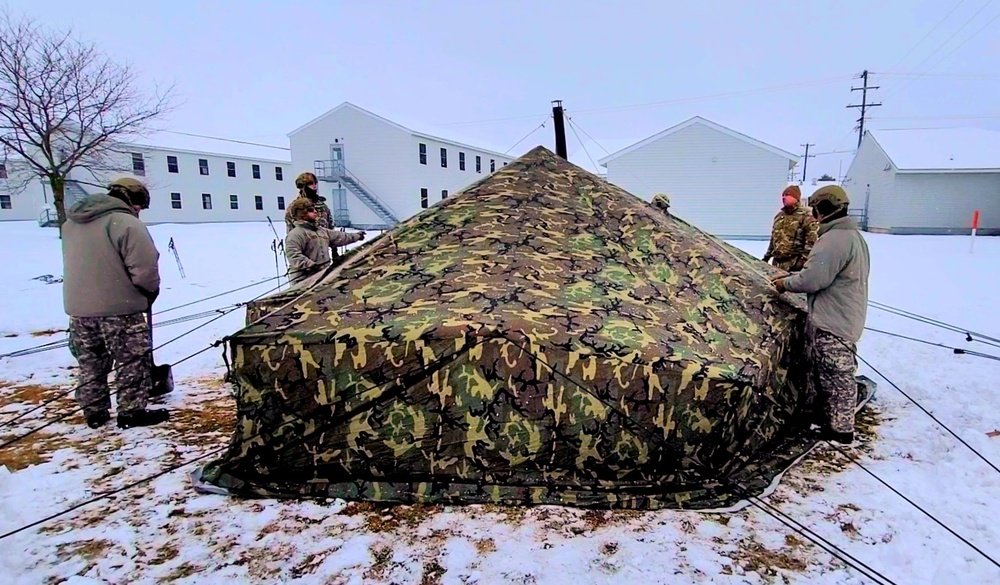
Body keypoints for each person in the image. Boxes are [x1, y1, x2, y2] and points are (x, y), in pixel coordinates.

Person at [62, 177, 170, 430]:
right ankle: (131, 411)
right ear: (132, 199)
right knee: (131, 359)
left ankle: (95, 411)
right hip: (119, 308)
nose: (139, 211)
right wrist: (148, 293)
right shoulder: (125, 223)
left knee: (90, 360)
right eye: (140, 206)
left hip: (79, 309)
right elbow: (144, 266)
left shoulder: (71, 224)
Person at [771, 185, 870, 445]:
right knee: (831, 373)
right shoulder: (851, 236)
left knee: (837, 376)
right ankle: (831, 421)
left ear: (823, 209)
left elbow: (813, 279)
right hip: (844, 314)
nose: (813, 213)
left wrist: (785, 283)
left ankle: (839, 430)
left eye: (816, 208)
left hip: (834, 319)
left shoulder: (834, 240)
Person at [285, 197, 366, 285]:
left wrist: (357, 236)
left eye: (315, 209)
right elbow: (293, 255)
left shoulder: (322, 231)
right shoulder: (296, 234)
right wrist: (310, 265)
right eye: (310, 210)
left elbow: (341, 237)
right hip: (304, 281)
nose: (315, 211)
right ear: (302, 213)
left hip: (322, 277)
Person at [763, 185, 819, 272]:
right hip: (777, 264)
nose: (784, 197)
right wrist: (767, 257)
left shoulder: (807, 216)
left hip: (795, 264)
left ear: (796, 197)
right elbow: (774, 239)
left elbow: (812, 241)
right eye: (783, 195)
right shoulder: (779, 216)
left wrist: (802, 261)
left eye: (787, 195)